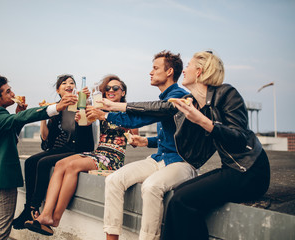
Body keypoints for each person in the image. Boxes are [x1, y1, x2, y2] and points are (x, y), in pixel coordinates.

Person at [100, 51, 271, 240]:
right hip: (230, 167)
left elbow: (239, 138)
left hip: (251, 170)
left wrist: (205, 122)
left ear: (199, 71)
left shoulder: (226, 94)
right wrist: (114, 107)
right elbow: (158, 109)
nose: (185, 70)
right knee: (177, 198)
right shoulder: (192, 101)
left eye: (189, 66)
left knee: (179, 199)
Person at [88, 50, 197, 240]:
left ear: (169, 71)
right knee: (113, 180)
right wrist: (147, 141)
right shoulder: (164, 97)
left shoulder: (178, 95)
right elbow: (170, 137)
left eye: (155, 68)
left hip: (182, 163)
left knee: (151, 186)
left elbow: (140, 117)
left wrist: (105, 114)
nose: (150, 72)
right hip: (159, 159)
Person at [24, 74, 138, 236]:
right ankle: (45, 215)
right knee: (60, 164)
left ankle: (55, 219)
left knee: (72, 166)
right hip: (99, 152)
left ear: (123, 92)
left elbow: (134, 139)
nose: (111, 90)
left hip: (113, 156)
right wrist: (81, 115)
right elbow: (85, 121)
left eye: (115, 88)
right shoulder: (101, 107)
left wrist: (128, 131)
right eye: (108, 88)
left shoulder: (129, 110)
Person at [0, 74, 77, 240]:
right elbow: (18, 119)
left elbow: (9, 134)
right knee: (2, 226)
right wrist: (55, 108)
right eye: (8, 91)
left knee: (0, 223)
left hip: (0, 177)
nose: (12, 94)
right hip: (2, 177)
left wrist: (18, 118)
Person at [12, 74, 95, 229]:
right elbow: (46, 139)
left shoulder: (81, 102)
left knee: (43, 163)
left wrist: (87, 100)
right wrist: (44, 115)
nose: (69, 85)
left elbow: (89, 122)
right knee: (30, 162)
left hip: (78, 149)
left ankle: (34, 207)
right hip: (62, 148)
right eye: (64, 83)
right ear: (58, 90)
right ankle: (29, 209)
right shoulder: (56, 108)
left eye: (72, 83)